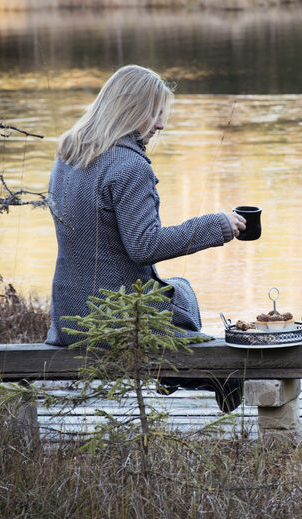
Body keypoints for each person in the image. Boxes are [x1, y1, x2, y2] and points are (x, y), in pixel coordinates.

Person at [45, 64, 245, 412]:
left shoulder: (69, 154)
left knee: (177, 291)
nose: (160, 124)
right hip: (117, 321)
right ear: (129, 109)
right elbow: (145, 246)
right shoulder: (129, 166)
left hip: (69, 320)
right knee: (184, 295)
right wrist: (218, 226)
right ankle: (181, 373)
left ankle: (178, 373)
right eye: (154, 113)